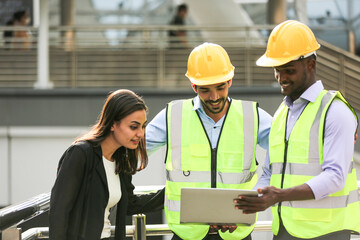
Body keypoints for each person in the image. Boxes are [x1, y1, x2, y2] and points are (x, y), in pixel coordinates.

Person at [234, 20, 360, 240]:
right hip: (284, 231)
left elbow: (335, 177)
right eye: (277, 70)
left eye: (289, 70)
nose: (281, 78)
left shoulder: (335, 112)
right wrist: (250, 202)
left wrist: (278, 196)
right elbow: (270, 172)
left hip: (326, 233)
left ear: (310, 64)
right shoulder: (282, 113)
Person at [146, 42, 272, 240]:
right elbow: (133, 148)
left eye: (220, 87)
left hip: (235, 233)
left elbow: (284, 156)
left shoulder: (253, 116)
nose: (214, 97)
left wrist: (259, 193)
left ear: (230, 81)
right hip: (187, 234)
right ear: (193, 85)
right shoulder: (172, 116)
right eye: (205, 90)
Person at [49, 89, 164, 240]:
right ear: (112, 124)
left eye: (143, 126)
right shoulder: (81, 154)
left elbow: (131, 204)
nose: (141, 134)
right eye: (133, 127)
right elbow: (59, 211)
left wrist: (173, 194)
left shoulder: (120, 160)